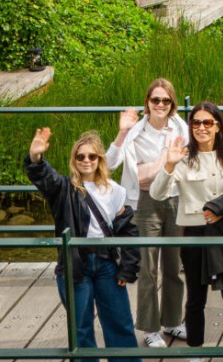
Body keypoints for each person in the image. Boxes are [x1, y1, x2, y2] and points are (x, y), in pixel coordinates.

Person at [25, 128, 140, 362]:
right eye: (80, 156)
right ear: (74, 160)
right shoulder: (63, 189)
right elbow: (43, 177)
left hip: (107, 263)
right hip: (76, 264)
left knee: (120, 322)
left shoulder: (115, 191)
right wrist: (36, 157)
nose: (86, 161)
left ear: (100, 160)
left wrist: (128, 266)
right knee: (81, 327)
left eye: (92, 156)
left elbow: (127, 230)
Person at [150, 101, 223, 359]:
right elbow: (157, 193)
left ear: (218, 126)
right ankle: (195, 351)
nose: (202, 127)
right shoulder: (183, 158)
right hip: (194, 234)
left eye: (208, 122)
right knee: (196, 296)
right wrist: (169, 165)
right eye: (196, 122)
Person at [106, 79, 188, 348]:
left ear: (172, 104)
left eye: (166, 100)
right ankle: (150, 327)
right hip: (144, 203)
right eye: (156, 100)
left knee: (174, 266)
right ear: (147, 103)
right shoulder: (135, 132)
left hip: (174, 199)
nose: (161, 105)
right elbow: (109, 164)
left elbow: (186, 162)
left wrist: (150, 168)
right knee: (148, 268)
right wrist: (121, 133)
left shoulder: (180, 128)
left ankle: (173, 321)